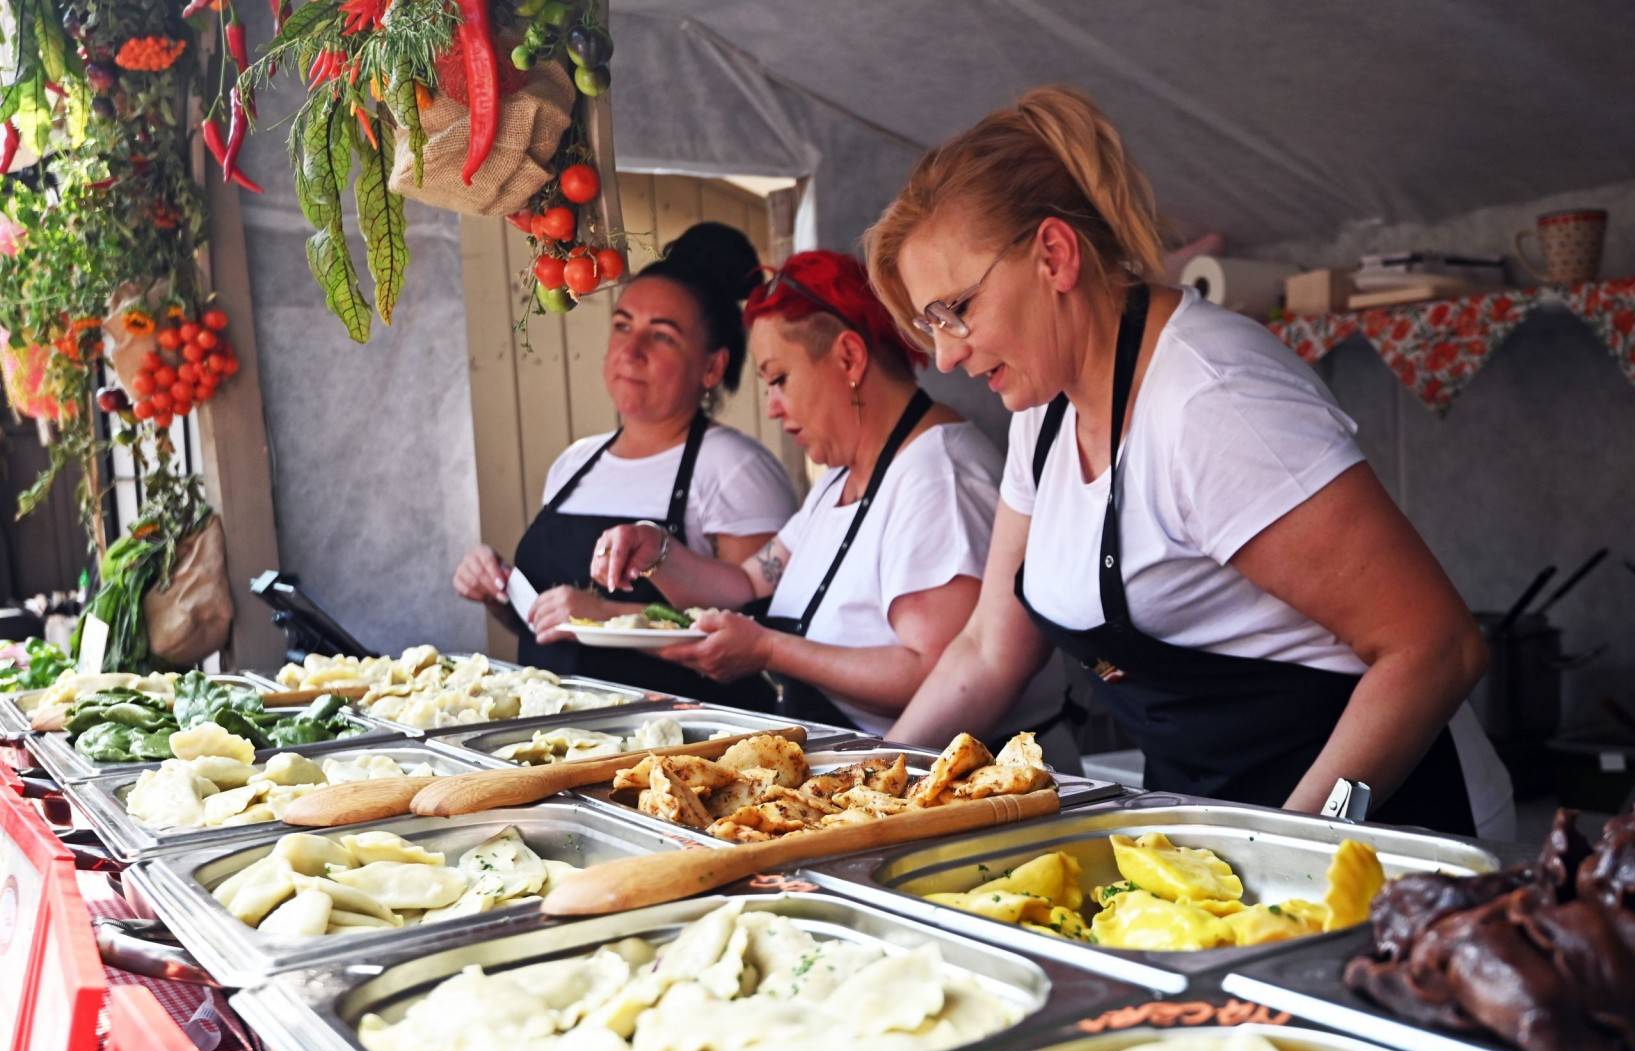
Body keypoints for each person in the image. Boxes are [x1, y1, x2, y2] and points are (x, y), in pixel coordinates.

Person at [865, 86, 1511, 837]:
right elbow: (986, 648)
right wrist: (866, 790)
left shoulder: (1212, 401)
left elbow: (1435, 648)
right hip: (1209, 829)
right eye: (928, 325)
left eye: (957, 311)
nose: (944, 355)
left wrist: (1297, 845)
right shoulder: (1045, 410)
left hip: (1382, 836)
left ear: (1054, 255)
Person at [591, 249, 1075, 755]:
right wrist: (655, 550)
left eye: (779, 379)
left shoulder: (938, 476)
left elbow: (934, 673)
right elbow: (746, 581)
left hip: (964, 780)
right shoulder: (839, 479)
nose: (773, 408)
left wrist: (769, 650)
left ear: (848, 357)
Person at [452, 223, 796, 706]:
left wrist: (598, 617)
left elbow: (751, 638)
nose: (631, 351)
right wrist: (500, 593)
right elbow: (545, 628)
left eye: (662, 336)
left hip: (679, 746)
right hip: (552, 728)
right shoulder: (574, 462)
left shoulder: (735, 468)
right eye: (622, 326)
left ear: (712, 367)